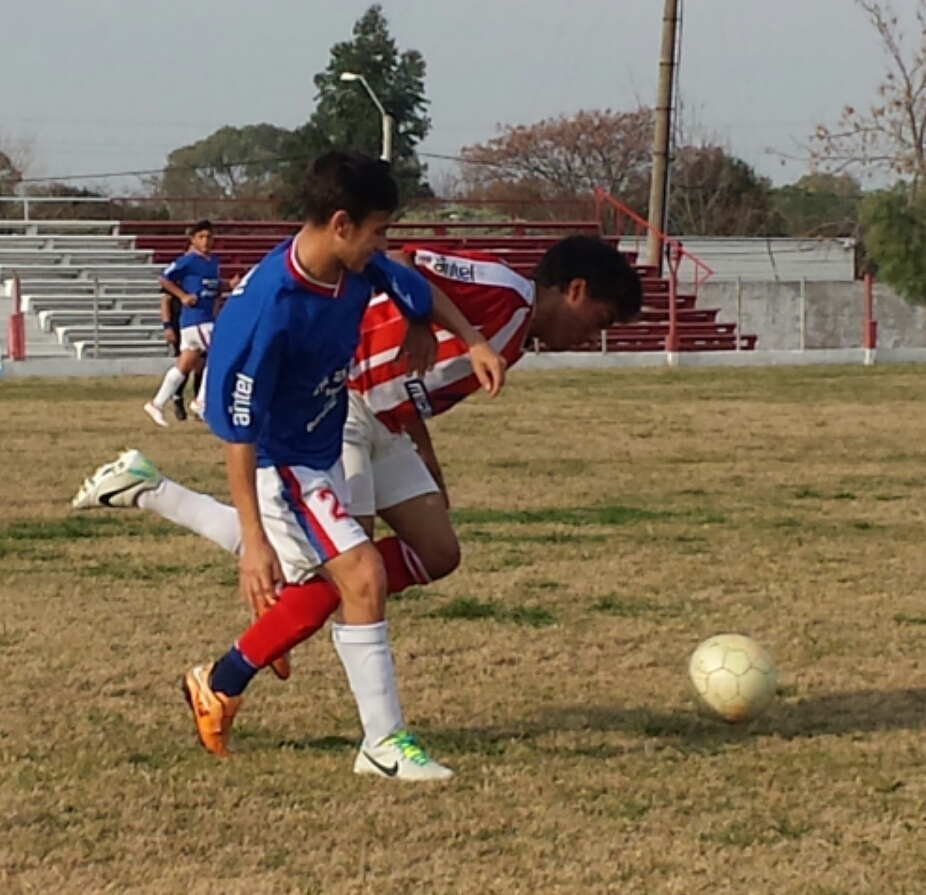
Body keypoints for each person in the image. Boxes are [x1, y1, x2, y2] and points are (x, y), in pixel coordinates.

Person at [72, 234, 640, 766]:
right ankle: (229, 681)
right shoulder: (506, 290)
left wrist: (428, 461)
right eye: (600, 320)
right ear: (575, 290)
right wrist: (420, 320)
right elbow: (411, 260)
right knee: (349, 573)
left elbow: (411, 389)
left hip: (386, 425)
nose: (593, 335)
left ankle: (154, 495)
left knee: (436, 552)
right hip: (344, 407)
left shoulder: (514, 336)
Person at [179, 150, 504, 779]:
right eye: (378, 230)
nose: (384, 243)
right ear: (341, 224)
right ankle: (382, 744)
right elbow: (238, 436)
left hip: (326, 446)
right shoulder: (267, 310)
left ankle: (224, 676)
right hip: (284, 465)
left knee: (355, 576)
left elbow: (409, 279)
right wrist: (253, 541)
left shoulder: (355, 264)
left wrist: (470, 340)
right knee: (360, 575)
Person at [145, 220, 230, 427]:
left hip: (205, 318)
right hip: (196, 319)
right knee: (218, 356)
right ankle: (201, 402)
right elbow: (164, 278)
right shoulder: (188, 260)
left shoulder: (212, 261)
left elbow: (212, 287)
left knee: (183, 366)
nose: (206, 241)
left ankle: (157, 404)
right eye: (201, 237)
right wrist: (182, 295)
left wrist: (228, 285)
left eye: (209, 237)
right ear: (193, 240)